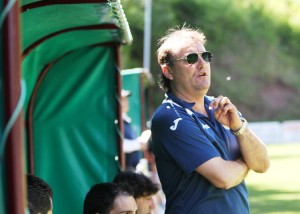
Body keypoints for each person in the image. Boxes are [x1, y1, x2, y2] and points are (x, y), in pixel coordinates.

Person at [151, 26, 270, 213]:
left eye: (205, 56)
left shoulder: (220, 107)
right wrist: (246, 161)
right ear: (168, 71)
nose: (201, 63)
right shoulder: (170, 117)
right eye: (191, 58)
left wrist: (239, 128)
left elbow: (262, 164)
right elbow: (224, 178)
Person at [121, 89, 150, 170]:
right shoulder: (116, 121)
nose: (125, 102)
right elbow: (120, 145)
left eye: (125, 99)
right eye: (122, 100)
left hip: (132, 169)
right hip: (124, 171)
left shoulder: (125, 120)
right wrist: (139, 144)